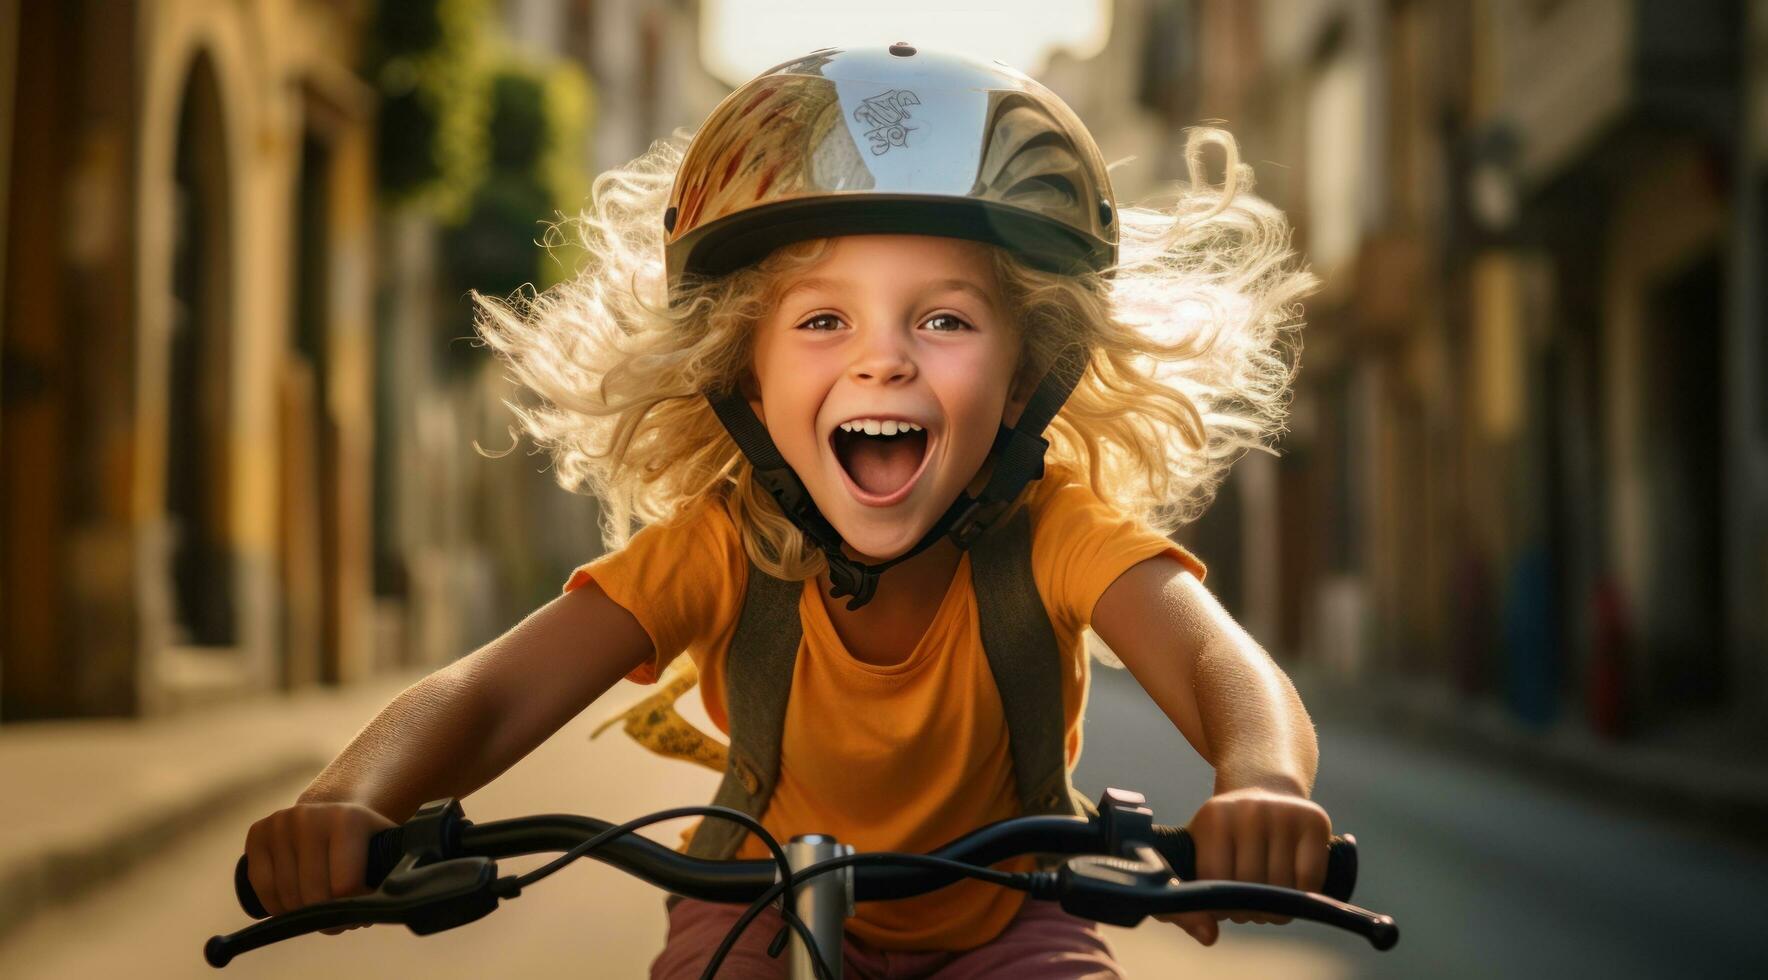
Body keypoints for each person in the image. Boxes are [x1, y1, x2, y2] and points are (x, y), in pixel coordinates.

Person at [243, 46, 1324, 977]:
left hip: (1007, 923)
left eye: (944, 318)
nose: (884, 356)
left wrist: (1260, 779)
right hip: (752, 904)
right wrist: (350, 798)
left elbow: (1213, 662)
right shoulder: (720, 542)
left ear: (1029, 370)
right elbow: (488, 692)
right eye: (821, 320)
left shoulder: (1052, 529)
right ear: (741, 375)